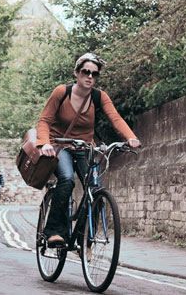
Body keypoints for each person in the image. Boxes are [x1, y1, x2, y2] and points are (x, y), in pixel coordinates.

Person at [36, 53, 141, 247]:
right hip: (60, 145)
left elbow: (115, 118)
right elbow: (44, 120)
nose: (90, 77)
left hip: (85, 148)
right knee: (66, 180)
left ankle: (83, 238)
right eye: (86, 72)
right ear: (76, 73)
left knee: (95, 190)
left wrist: (130, 137)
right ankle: (53, 232)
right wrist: (45, 143)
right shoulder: (62, 92)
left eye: (95, 74)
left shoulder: (99, 96)